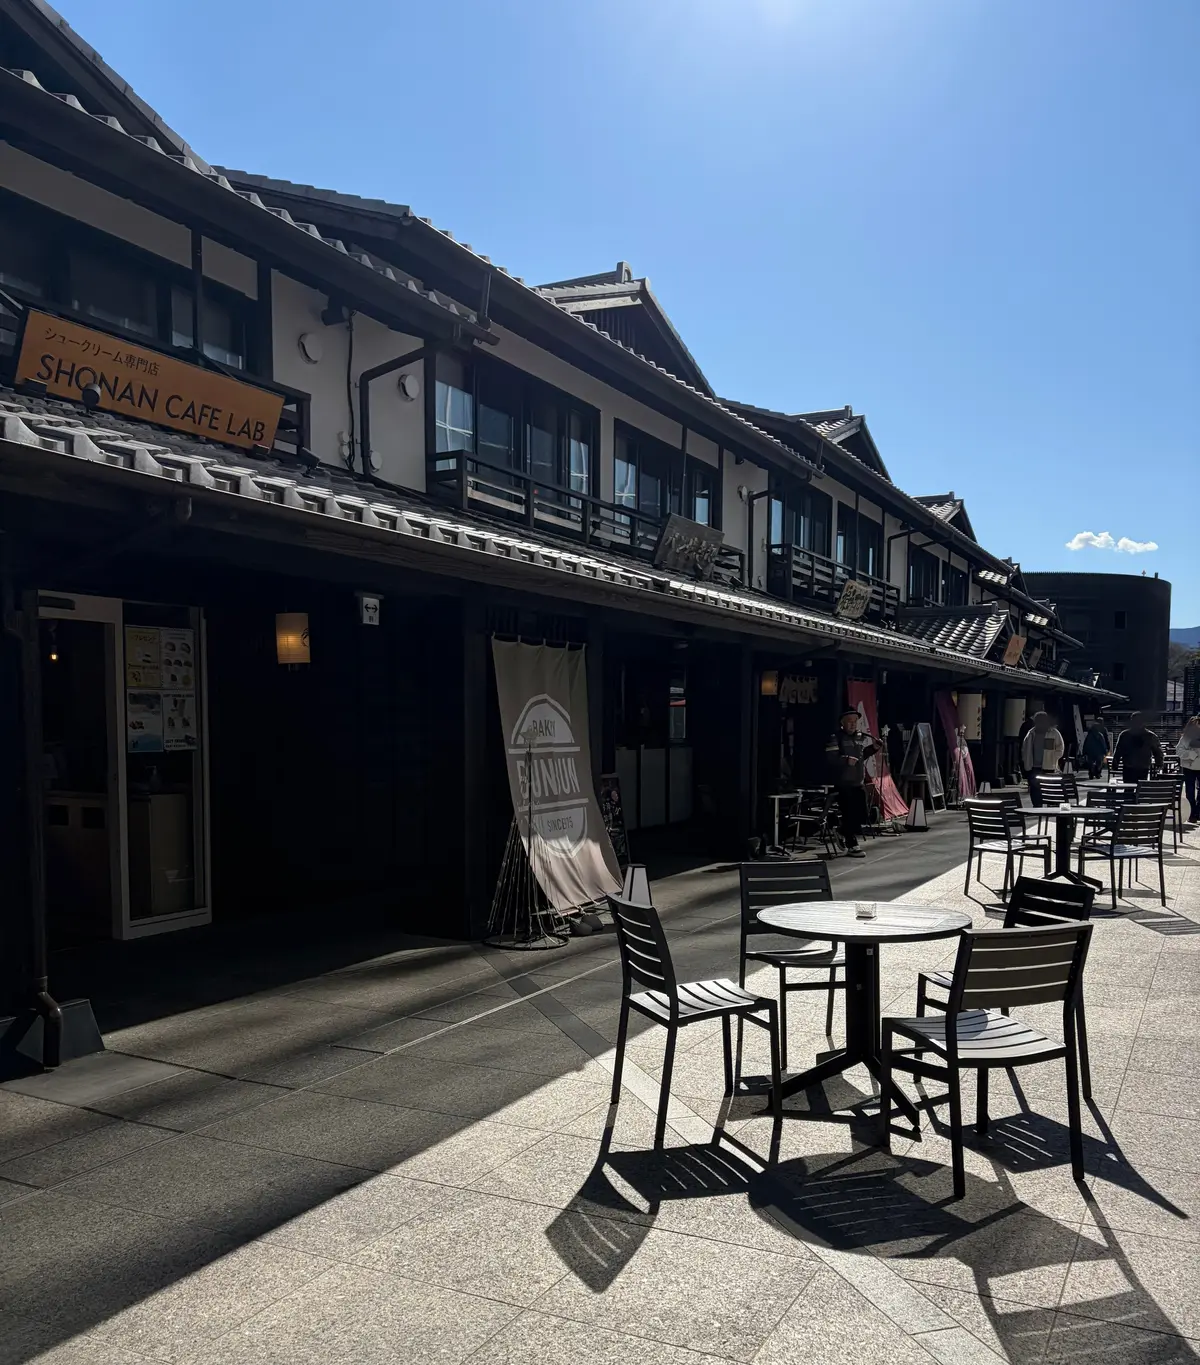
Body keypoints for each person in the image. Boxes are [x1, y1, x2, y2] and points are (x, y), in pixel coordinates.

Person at [826, 708, 879, 857]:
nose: (853, 724)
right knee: (849, 813)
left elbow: (862, 755)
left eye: (855, 721)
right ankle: (852, 845)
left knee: (862, 813)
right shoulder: (835, 737)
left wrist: (873, 748)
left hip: (858, 782)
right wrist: (845, 761)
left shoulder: (860, 737)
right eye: (849, 721)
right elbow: (831, 758)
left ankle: (841, 831)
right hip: (842, 783)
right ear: (842, 723)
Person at [1111, 712, 1164, 785]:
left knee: (1128, 789)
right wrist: (1159, 763)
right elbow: (1157, 751)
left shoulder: (1125, 735)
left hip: (1129, 766)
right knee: (1140, 789)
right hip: (1143, 766)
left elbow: (1118, 751)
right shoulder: (1150, 736)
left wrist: (1115, 764)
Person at [1020, 711, 1065, 783]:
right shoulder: (1031, 733)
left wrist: (1053, 758)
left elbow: (1060, 747)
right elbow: (1025, 748)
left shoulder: (1053, 733)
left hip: (1049, 766)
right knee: (1034, 788)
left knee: (1047, 787)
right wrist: (1025, 759)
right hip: (1033, 766)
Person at [1176, 716, 1200, 823]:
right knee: (1190, 790)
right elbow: (1179, 751)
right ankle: (1192, 814)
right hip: (1188, 767)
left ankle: (1198, 812)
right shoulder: (1186, 737)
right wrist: (1192, 754)